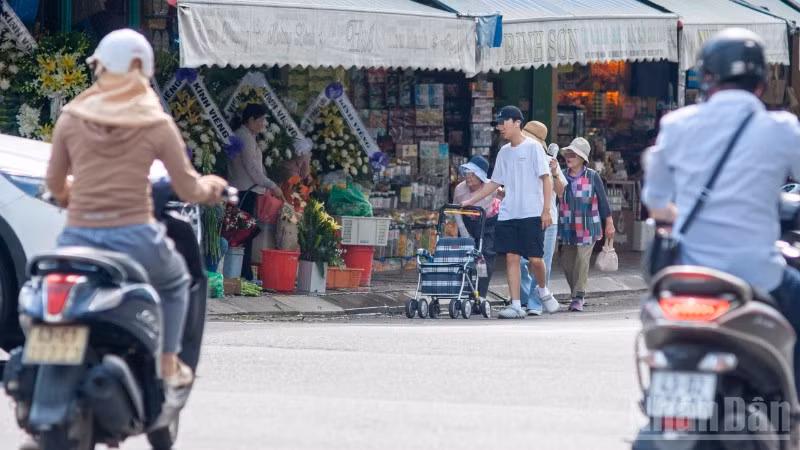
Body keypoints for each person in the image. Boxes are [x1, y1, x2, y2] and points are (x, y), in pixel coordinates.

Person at [44, 29, 228, 389]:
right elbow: (188, 187)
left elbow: (53, 185)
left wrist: (73, 195)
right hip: (136, 239)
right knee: (176, 282)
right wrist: (212, 188)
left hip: (76, 238)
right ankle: (168, 363)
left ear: (101, 69)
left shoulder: (71, 117)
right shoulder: (156, 123)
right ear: (141, 70)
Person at [642, 27, 800, 392]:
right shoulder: (782, 128)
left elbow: (656, 201)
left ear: (707, 79)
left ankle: (656, 395)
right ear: (761, 82)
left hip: (685, 275)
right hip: (758, 273)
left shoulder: (677, 125)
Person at [462, 106, 558, 319]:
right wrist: (470, 200)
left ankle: (542, 289)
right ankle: (516, 305)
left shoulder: (534, 148)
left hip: (532, 213)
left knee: (535, 259)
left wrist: (545, 210)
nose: (500, 127)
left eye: (504, 122)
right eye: (499, 122)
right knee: (512, 258)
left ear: (517, 123)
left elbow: (547, 179)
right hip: (508, 214)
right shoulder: (504, 152)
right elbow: (494, 183)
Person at [228, 103, 284, 280]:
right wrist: (272, 186)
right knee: (243, 234)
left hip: (246, 190)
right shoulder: (244, 137)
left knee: (246, 232)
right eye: (260, 120)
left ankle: (244, 274)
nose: (263, 124)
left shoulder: (247, 136)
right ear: (250, 119)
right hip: (244, 191)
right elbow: (253, 170)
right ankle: (243, 275)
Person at [558, 137, 614, 312]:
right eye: (568, 153)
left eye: (573, 154)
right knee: (567, 263)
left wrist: (609, 223)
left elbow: (603, 201)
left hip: (588, 225)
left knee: (582, 260)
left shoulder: (592, 176)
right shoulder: (560, 174)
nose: (569, 157)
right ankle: (575, 293)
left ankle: (578, 296)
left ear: (583, 158)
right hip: (567, 225)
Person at [519, 121, 566, 315]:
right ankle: (523, 297)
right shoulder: (519, 158)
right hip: (523, 217)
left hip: (548, 220)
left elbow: (561, 191)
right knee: (521, 261)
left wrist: (555, 173)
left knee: (542, 262)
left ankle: (535, 303)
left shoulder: (549, 161)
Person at [452, 156, 500, 303]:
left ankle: (481, 293)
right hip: (468, 223)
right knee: (466, 256)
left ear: (480, 177)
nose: (468, 177)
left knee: (484, 257)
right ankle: (466, 291)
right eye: (467, 173)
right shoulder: (460, 189)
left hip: (488, 223)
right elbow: (457, 212)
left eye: (473, 174)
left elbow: (507, 199)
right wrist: (465, 233)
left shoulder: (491, 189)